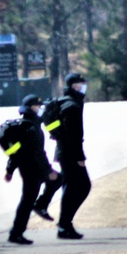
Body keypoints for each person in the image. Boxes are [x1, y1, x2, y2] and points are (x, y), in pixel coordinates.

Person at [4, 95, 60, 245]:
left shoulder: (24, 125)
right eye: (39, 106)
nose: (41, 109)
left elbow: (15, 153)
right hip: (34, 170)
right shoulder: (32, 128)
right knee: (27, 201)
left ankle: (39, 206)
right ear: (32, 108)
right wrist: (49, 171)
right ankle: (16, 233)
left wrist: (9, 170)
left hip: (28, 168)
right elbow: (39, 153)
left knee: (27, 201)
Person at [51, 73, 90, 240]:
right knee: (82, 186)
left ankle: (65, 224)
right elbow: (72, 135)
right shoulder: (71, 105)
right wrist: (79, 156)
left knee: (72, 187)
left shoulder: (71, 102)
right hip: (70, 154)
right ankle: (64, 224)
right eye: (82, 83)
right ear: (75, 85)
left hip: (65, 152)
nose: (84, 86)